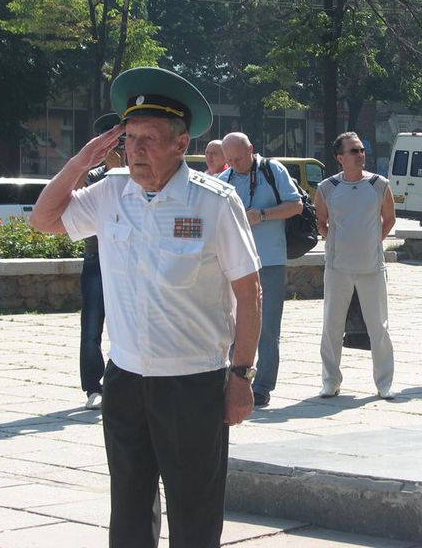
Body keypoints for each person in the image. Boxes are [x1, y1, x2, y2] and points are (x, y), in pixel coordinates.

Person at [30, 66, 262, 548]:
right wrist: (79, 162)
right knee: (129, 512)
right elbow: (43, 218)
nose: (136, 150)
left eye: (149, 139)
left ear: (182, 145)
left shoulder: (213, 202)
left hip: (193, 381)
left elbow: (249, 291)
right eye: (130, 139)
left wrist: (240, 376)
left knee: (194, 514)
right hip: (126, 379)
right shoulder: (111, 191)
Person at [220, 132, 302, 407]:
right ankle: (233, 378)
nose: (234, 164)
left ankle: (264, 385)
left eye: (239, 158)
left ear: (251, 150)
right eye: (229, 159)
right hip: (235, 263)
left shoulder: (272, 170)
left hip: (270, 259)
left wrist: (263, 214)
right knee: (232, 324)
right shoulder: (224, 180)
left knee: (267, 326)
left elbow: (296, 205)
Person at [315, 131, 396, 399]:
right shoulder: (327, 188)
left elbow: (389, 219)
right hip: (338, 268)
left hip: (372, 267)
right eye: (353, 151)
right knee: (332, 325)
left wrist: (373, 242)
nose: (359, 155)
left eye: (361, 150)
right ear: (340, 158)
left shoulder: (378, 184)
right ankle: (330, 380)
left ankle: (384, 383)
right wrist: (338, 244)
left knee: (378, 327)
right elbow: (322, 222)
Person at [76, 112, 125, 410]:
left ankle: (121, 381)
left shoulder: (141, 172)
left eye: (121, 140)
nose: (118, 148)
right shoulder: (94, 174)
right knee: (92, 325)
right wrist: (103, 168)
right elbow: (74, 194)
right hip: (97, 258)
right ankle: (93, 386)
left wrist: (122, 172)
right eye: (111, 142)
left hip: (129, 258)